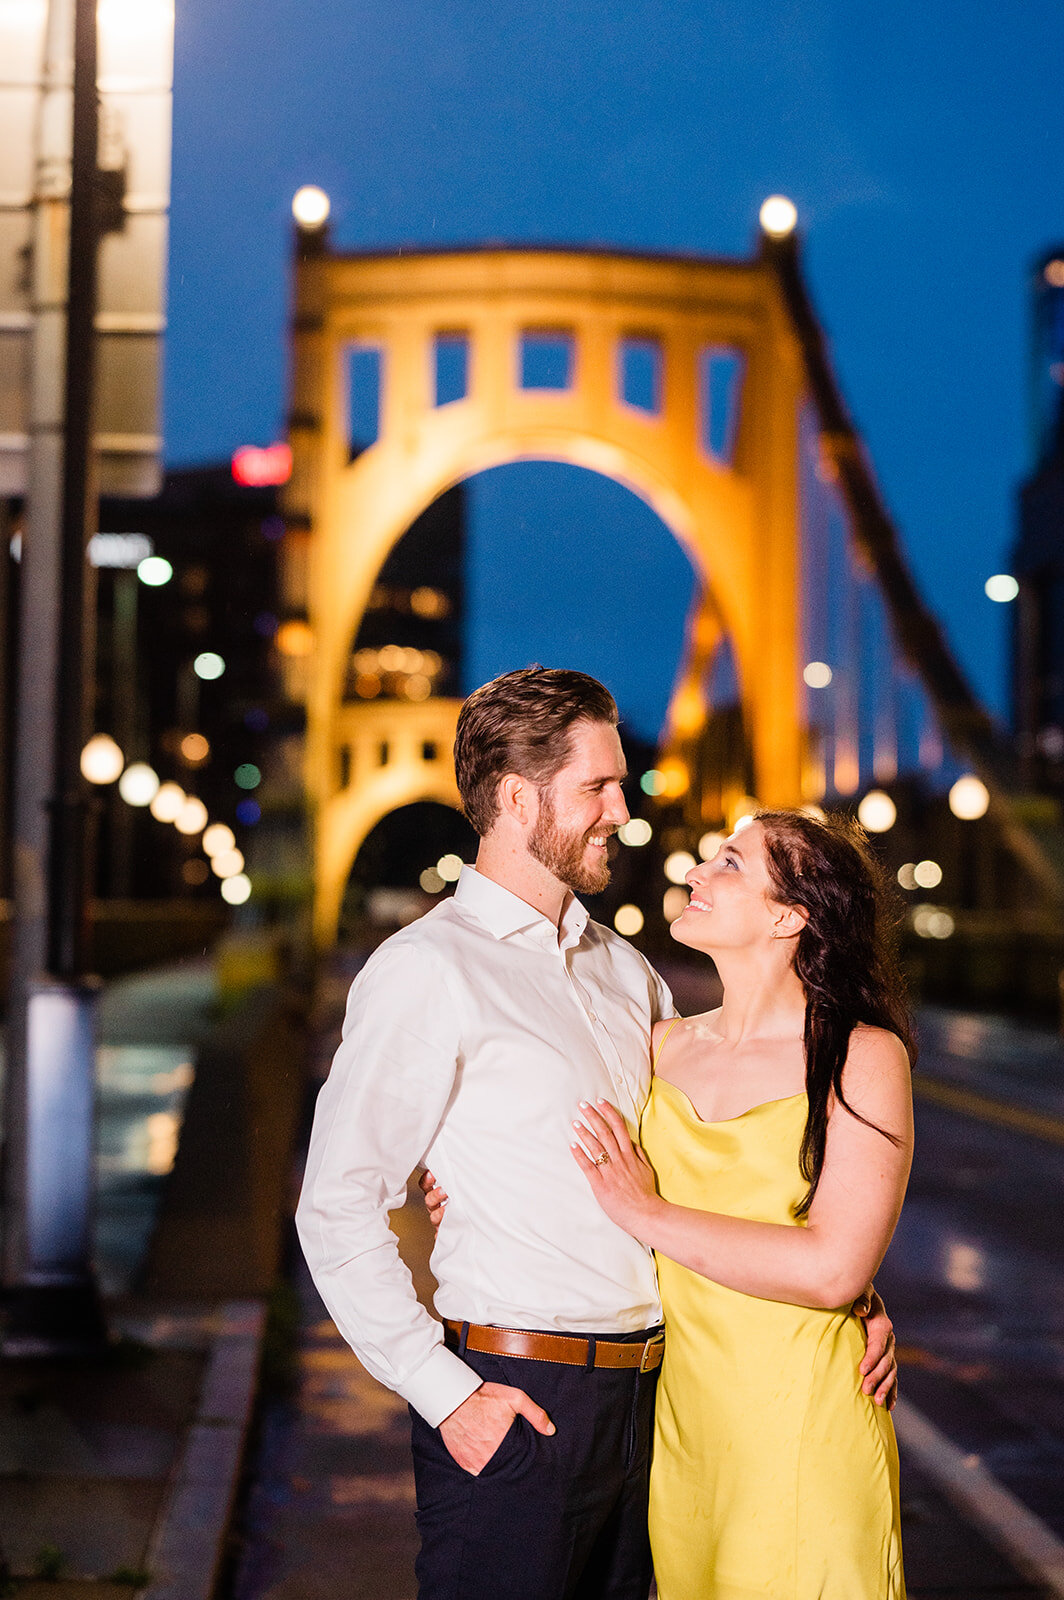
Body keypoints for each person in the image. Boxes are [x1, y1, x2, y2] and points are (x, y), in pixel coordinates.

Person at [296, 667, 898, 1600]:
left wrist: (842, 1288)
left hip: (660, 1407)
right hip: (518, 1400)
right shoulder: (427, 969)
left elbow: (708, 1161)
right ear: (514, 797)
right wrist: (445, 1393)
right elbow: (335, 1205)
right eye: (597, 787)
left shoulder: (630, 977)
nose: (623, 807)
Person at [570, 810, 913, 1599]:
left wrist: (650, 1213)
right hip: (684, 1437)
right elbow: (574, 1164)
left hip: (803, 1428)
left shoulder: (860, 1054)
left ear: (790, 915)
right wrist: (456, 1191)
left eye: (728, 863)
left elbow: (832, 1268)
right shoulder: (660, 1045)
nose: (695, 873)